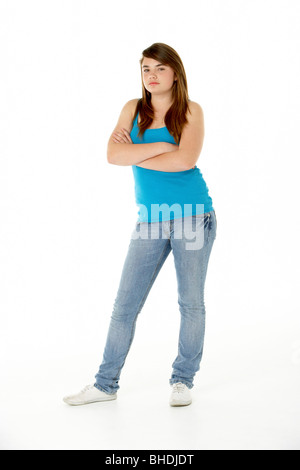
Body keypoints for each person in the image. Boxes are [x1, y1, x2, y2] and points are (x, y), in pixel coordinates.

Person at [63, 43, 217, 407]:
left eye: (159, 68)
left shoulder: (191, 111)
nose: (151, 75)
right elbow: (114, 155)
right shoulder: (132, 109)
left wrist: (140, 149)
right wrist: (165, 147)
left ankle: (183, 381)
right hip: (150, 219)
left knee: (190, 303)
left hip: (193, 214)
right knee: (124, 306)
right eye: (146, 68)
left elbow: (186, 161)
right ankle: (105, 385)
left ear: (175, 73)